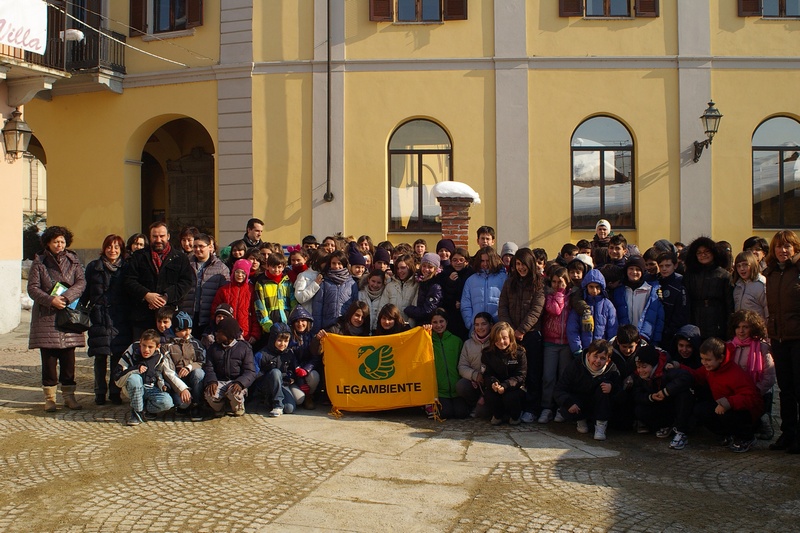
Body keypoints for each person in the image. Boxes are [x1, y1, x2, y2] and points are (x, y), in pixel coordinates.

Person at [27, 225, 87, 412]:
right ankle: (50, 398)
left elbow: (81, 282)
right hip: (47, 317)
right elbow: (32, 288)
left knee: (69, 362)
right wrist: (51, 300)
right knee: (49, 362)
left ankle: (69, 397)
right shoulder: (40, 262)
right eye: (55, 241)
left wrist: (67, 297)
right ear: (48, 243)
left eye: (62, 241)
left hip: (69, 315)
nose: (59, 244)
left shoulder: (73, 261)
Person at [687, 338, 763, 453]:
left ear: (721, 358)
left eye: (708, 359)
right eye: (702, 359)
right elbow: (697, 375)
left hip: (744, 412)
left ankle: (747, 438)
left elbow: (752, 398)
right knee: (700, 410)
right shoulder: (710, 369)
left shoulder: (735, 374)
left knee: (727, 415)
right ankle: (726, 434)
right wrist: (678, 367)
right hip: (723, 405)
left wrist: (729, 402)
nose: (704, 362)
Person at [81, 234, 131, 405]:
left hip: (120, 318)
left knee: (117, 357)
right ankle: (99, 392)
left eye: (117, 247)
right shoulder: (94, 267)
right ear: (104, 248)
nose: (113, 250)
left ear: (121, 250)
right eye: (110, 246)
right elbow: (85, 292)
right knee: (100, 357)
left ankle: (115, 392)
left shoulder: (126, 268)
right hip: (100, 317)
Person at [123, 221, 194, 339]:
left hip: (169, 317)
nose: (158, 239)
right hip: (142, 316)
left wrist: (166, 297)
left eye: (162, 236)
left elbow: (186, 283)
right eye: (155, 236)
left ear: (168, 236)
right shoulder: (138, 256)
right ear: (150, 237)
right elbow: (129, 280)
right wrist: (146, 295)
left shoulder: (180, 258)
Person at [498, 248, 545, 423]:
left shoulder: (538, 284)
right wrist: (510, 331)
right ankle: (512, 407)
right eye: (518, 264)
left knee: (532, 373)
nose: (521, 268)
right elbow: (502, 306)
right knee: (513, 373)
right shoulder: (509, 283)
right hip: (510, 336)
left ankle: (532, 408)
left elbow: (536, 310)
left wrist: (522, 330)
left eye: (524, 264)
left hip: (531, 335)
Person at [764, 230, 800, 453]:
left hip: (798, 338)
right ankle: (788, 433)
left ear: (795, 248)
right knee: (785, 390)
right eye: (778, 246)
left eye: (787, 246)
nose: (782, 250)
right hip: (779, 337)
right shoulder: (772, 272)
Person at [114, 329, 190, 426]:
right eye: (144, 346)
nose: (146, 350)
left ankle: (144, 409)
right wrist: (135, 369)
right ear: (140, 343)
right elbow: (118, 377)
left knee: (167, 402)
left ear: (157, 347)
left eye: (150, 347)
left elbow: (170, 373)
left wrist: (183, 389)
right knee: (135, 379)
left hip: (151, 387)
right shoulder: (131, 351)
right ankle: (136, 413)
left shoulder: (161, 355)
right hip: (132, 387)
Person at [554, 339, 620, 441]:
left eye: (602, 358)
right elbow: (560, 389)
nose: (598, 361)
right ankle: (580, 419)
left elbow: (621, 393)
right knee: (566, 409)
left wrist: (613, 388)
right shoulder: (575, 365)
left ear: (608, 360)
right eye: (595, 356)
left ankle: (601, 425)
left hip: (599, 406)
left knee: (604, 388)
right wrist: (568, 402)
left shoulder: (612, 370)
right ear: (588, 355)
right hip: (579, 402)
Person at [631, 343, 694, 450]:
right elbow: (637, 394)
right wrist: (650, 397)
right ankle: (666, 426)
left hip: (673, 405)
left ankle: (681, 431)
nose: (641, 370)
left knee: (684, 393)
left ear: (653, 365)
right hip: (660, 406)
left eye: (644, 367)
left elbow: (686, 377)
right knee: (640, 410)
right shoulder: (639, 376)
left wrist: (666, 391)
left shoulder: (666, 370)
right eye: (638, 367)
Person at [727, 309, 776, 440]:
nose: (741, 331)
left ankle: (763, 421)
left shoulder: (762, 347)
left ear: (753, 328)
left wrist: (753, 392)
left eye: (745, 327)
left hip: (756, 394)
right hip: (735, 394)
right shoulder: (728, 347)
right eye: (737, 327)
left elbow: (769, 377)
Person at [203, 316, 257, 417]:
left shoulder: (244, 348)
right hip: (219, 381)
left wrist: (240, 383)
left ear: (229, 335)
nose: (216, 334)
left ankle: (238, 407)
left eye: (220, 332)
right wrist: (212, 381)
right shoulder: (213, 348)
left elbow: (250, 372)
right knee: (210, 394)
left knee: (235, 393)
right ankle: (220, 407)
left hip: (237, 382)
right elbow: (209, 368)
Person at [683, 236, 733, 341]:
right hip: (696, 318)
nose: (703, 255)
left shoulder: (724, 275)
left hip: (717, 320)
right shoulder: (690, 275)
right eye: (699, 253)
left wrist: (729, 327)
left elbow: (729, 304)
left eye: (706, 251)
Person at [539, 267, 572, 423]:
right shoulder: (548, 296)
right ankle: (546, 407)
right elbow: (555, 310)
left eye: (561, 282)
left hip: (566, 342)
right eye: (554, 281)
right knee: (548, 377)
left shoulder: (572, 296)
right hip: (550, 342)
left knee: (563, 377)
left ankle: (561, 407)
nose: (558, 284)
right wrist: (558, 294)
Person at [180, 233, 229, 337]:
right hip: (188, 314)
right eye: (195, 246)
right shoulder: (186, 264)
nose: (197, 249)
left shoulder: (221, 268)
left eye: (201, 246)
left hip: (208, 317)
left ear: (210, 247)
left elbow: (224, 294)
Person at [253, 322, 304, 417]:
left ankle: (272, 402)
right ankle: (277, 405)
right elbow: (253, 373)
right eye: (279, 340)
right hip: (266, 387)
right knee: (275, 372)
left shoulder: (289, 353)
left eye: (286, 341)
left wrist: (291, 377)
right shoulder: (262, 354)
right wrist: (267, 374)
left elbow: (293, 369)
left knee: (289, 409)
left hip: (283, 384)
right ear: (273, 339)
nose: (283, 344)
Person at [611, 256, 664, 345]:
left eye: (638, 269)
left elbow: (659, 318)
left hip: (645, 338)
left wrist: (655, 341)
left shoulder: (651, 291)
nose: (634, 272)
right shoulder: (619, 291)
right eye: (631, 268)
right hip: (624, 340)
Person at [163, 312, 206, 421]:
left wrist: (189, 367)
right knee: (182, 403)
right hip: (176, 380)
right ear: (176, 330)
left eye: (189, 329)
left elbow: (202, 361)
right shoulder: (167, 345)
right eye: (183, 330)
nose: (187, 333)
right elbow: (168, 371)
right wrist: (181, 388)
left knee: (199, 373)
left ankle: (196, 404)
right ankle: (184, 406)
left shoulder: (195, 343)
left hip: (192, 377)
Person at [566, 269, 618, 355]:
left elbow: (612, 329)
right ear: (586, 287)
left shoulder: (608, 305)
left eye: (597, 287)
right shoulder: (580, 305)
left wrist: (609, 349)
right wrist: (577, 349)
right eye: (591, 287)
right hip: (583, 351)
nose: (594, 290)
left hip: (602, 352)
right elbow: (572, 328)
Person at [429, 308, 469, 419]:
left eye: (441, 321)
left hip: (456, 391)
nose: (438, 325)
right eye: (434, 322)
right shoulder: (427, 341)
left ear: (446, 322)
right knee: (445, 414)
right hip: (440, 392)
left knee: (462, 414)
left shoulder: (456, 341)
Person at [210, 259, 261, 345]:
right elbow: (214, 311)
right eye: (237, 272)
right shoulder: (224, 290)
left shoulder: (251, 290)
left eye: (243, 273)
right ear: (233, 272)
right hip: (225, 333)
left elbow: (256, 313)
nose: (240, 275)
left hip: (245, 334)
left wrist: (255, 334)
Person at [461, 246, 507, 333]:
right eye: (482, 261)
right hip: (477, 329)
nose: (485, 264)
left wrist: (503, 323)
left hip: (498, 328)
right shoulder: (471, 280)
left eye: (488, 261)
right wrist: (470, 323)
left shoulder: (503, 278)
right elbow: (465, 304)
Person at [456, 312, 494, 418]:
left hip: (491, 384)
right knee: (461, 385)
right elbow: (462, 367)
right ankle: (474, 404)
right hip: (474, 383)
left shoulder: (496, 342)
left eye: (483, 324)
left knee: (482, 414)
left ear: (490, 325)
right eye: (476, 325)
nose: (480, 327)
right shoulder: (468, 344)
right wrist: (474, 375)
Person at [312, 250, 359, 332]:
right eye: (334, 263)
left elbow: (355, 306)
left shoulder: (352, 283)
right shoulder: (324, 282)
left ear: (344, 264)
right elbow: (317, 309)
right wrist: (317, 330)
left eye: (339, 263)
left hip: (346, 328)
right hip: (327, 328)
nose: (336, 266)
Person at [287, 306, 320, 409]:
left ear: (308, 321)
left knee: (315, 376)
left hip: (307, 371)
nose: (300, 324)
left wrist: (306, 369)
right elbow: (290, 358)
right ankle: (300, 394)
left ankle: (309, 396)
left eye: (303, 321)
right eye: (297, 321)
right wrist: (298, 372)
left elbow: (316, 357)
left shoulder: (313, 336)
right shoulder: (289, 337)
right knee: (298, 400)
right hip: (293, 374)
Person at [254, 252, 296, 333]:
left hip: (287, 323)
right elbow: (260, 305)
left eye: (279, 267)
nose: (276, 270)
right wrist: (266, 324)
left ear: (284, 267)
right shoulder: (261, 283)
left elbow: (293, 301)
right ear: (267, 266)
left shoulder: (287, 281)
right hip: (271, 324)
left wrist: (293, 319)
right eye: (273, 267)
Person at [437, 247, 472, 340]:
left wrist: (463, 303)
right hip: (451, 315)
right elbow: (443, 296)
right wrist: (450, 282)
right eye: (455, 260)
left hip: (467, 315)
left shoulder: (471, 275)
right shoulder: (445, 274)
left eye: (461, 260)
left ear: (467, 261)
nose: (458, 263)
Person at [656, 251, 689, 350]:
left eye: (667, 265)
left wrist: (669, 331)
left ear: (675, 266)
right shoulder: (657, 282)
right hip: (658, 331)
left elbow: (681, 313)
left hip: (672, 334)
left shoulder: (680, 285)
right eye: (661, 266)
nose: (664, 269)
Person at [378, 253, 418, 326]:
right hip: (391, 328)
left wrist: (409, 326)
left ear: (410, 267)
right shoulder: (390, 286)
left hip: (408, 329)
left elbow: (415, 307)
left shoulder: (416, 285)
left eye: (403, 268)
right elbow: (382, 307)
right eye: (398, 268)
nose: (399, 271)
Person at [405, 253, 443, 325]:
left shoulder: (435, 287)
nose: (426, 269)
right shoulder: (420, 282)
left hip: (427, 325)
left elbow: (427, 311)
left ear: (435, 269)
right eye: (424, 266)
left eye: (430, 267)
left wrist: (408, 309)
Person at [731, 251, 768, 320]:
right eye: (738, 266)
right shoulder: (737, 286)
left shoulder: (761, 285)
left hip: (757, 327)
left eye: (745, 265)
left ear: (753, 265)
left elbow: (767, 309)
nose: (742, 269)